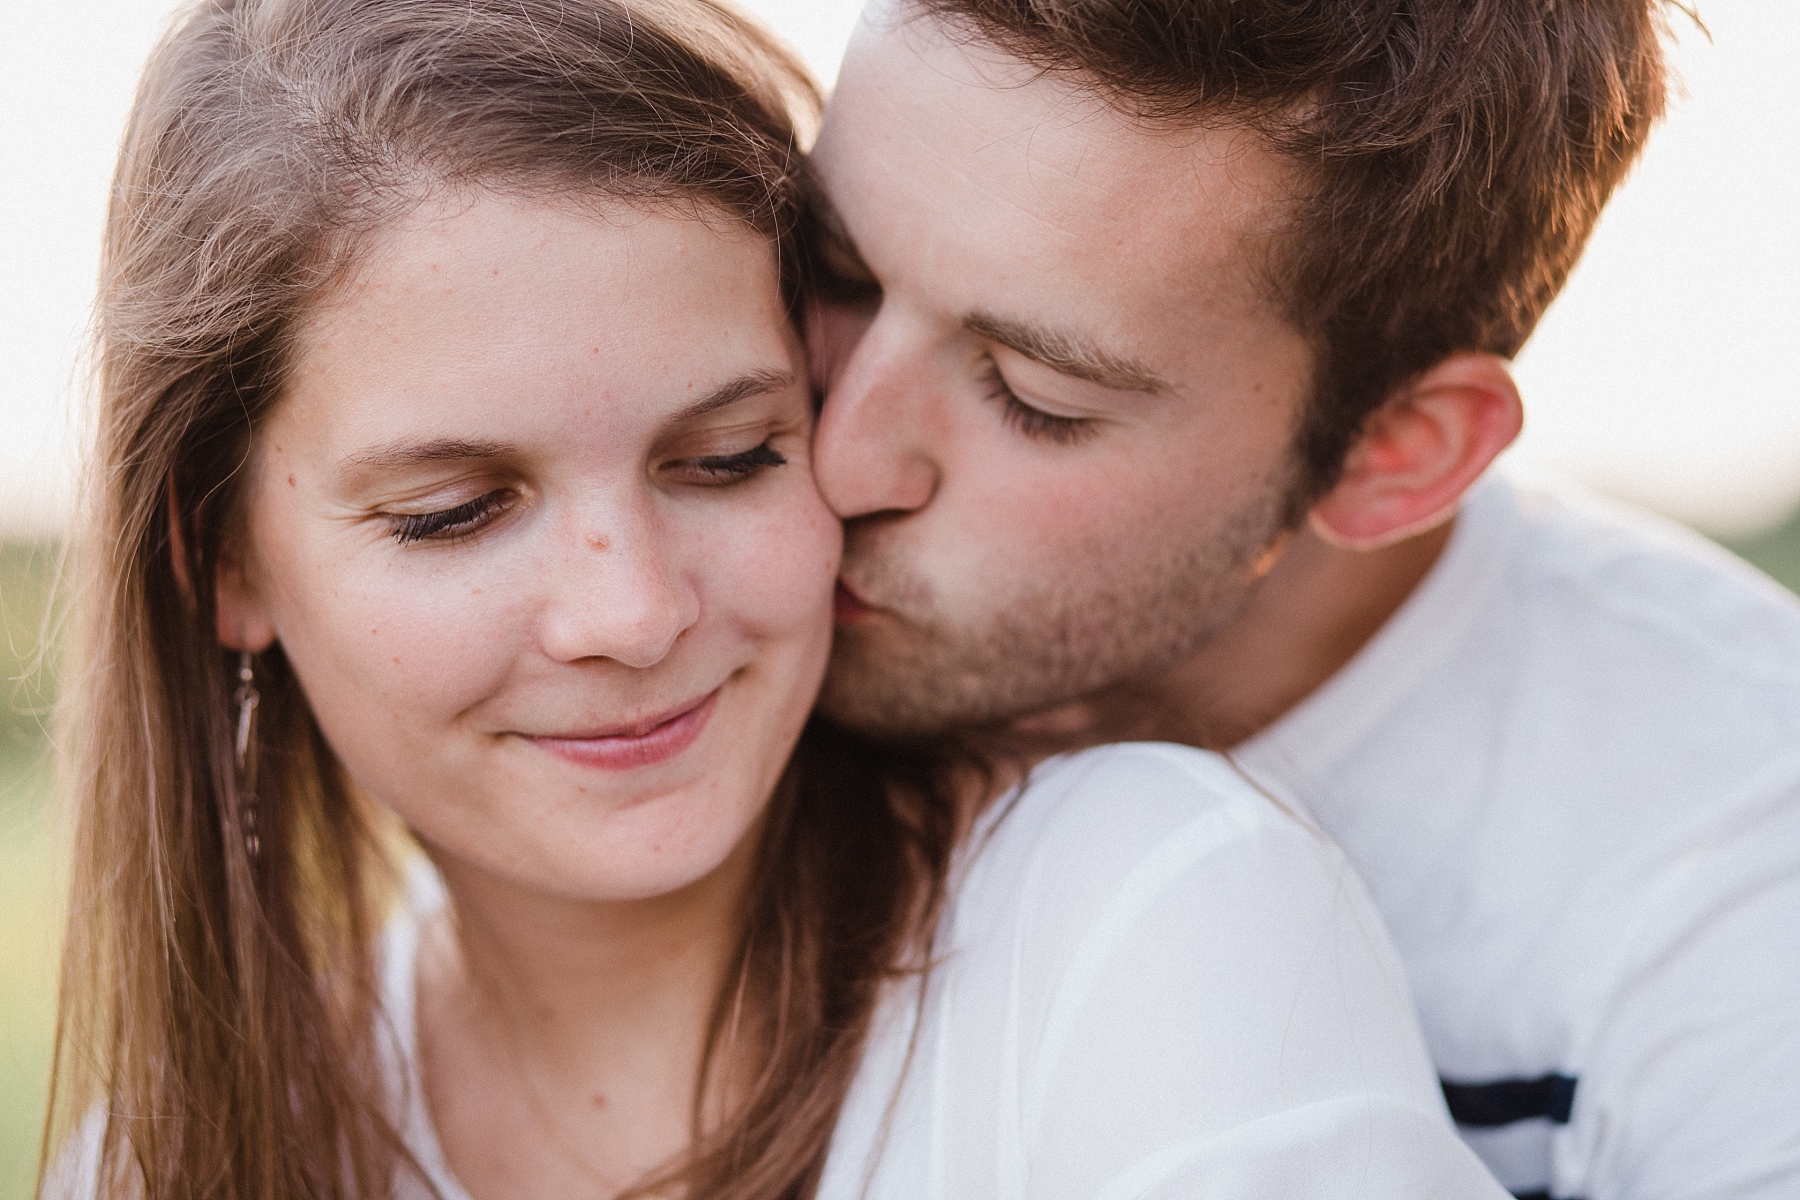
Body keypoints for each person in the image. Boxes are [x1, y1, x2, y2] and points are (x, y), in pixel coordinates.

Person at [43, 0, 1509, 1197]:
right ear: (223, 562)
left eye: (732, 457)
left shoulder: (1142, 918)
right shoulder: (154, 1163)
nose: (629, 616)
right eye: (459, 511)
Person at [804, 1, 1800, 1198]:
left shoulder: (1739, 873)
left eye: (1035, 396)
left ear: (1397, 455)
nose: (837, 459)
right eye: (833, 272)